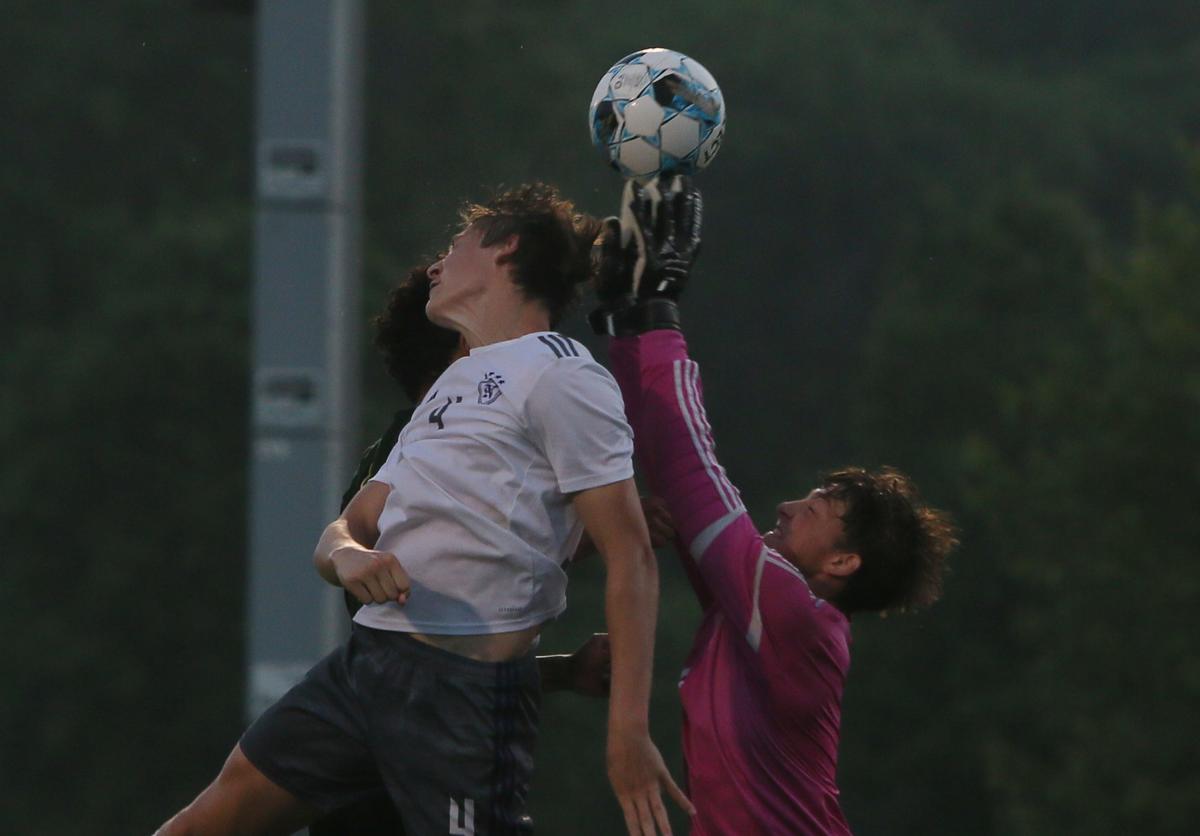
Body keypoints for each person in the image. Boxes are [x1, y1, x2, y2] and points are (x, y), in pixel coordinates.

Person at [159, 183, 691, 836]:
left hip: (462, 699)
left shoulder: (563, 376)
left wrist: (628, 731)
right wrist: (350, 557)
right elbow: (347, 527)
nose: (438, 265)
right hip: (364, 670)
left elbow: (631, 555)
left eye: (456, 245)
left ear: (507, 249)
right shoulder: (454, 384)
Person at [589, 176, 959, 835]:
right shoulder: (763, 618)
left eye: (815, 509)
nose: (787, 506)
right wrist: (625, 324)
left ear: (844, 561)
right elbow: (671, 471)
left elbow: (695, 473)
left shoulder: (795, 616)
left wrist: (658, 313)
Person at [309, 264, 619, 835]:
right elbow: (419, 658)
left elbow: (450, 633)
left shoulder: (460, 461)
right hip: (397, 777)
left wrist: (562, 670)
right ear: (463, 348)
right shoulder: (408, 466)